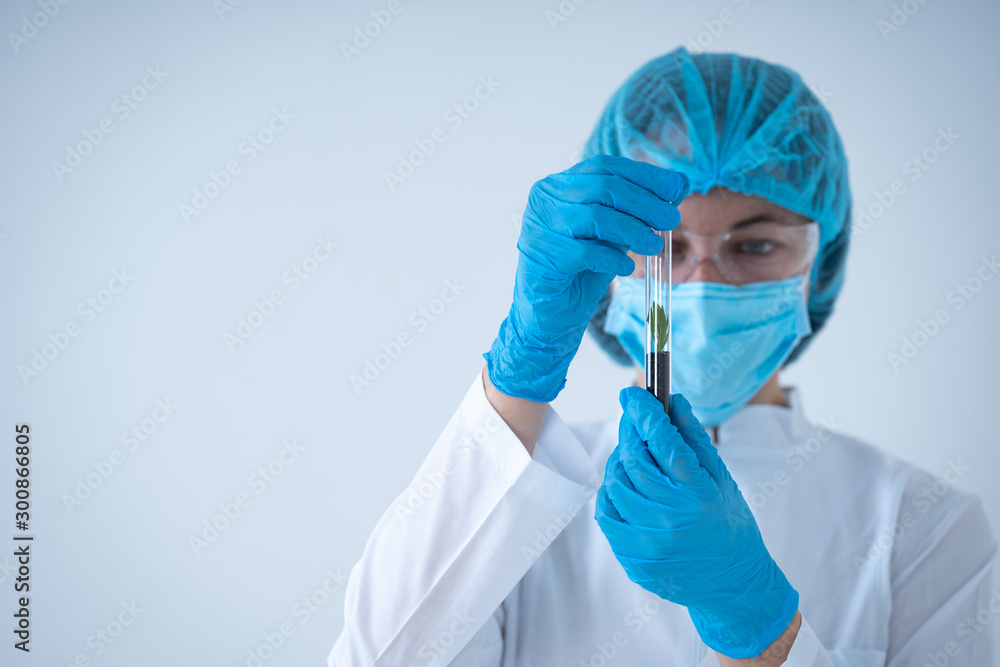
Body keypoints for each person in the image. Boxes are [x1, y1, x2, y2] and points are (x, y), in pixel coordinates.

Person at [328, 47, 996, 666]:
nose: (702, 284)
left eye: (754, 245)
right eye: (666, 250)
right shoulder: (515, 499)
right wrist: (519, 371)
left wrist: (757, 622)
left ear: (819, 263)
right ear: (609, 268)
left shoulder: (922, 524)